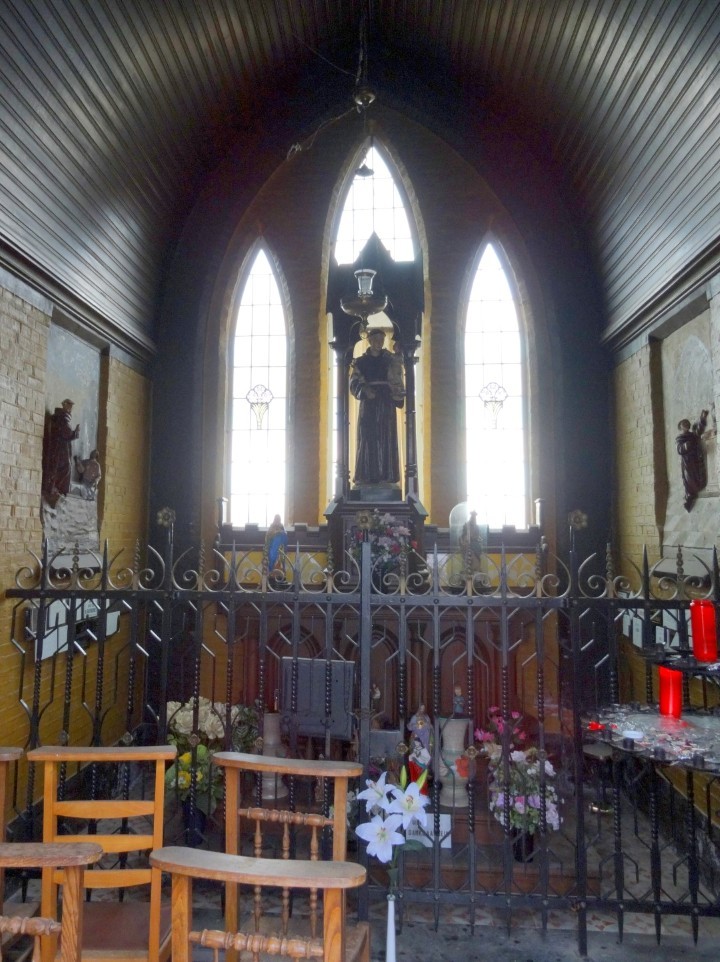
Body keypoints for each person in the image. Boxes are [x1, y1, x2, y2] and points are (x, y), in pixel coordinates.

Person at [349, 328, 404, 486]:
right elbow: (354, 383)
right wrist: (364, 390)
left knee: (387, 437)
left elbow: (397, 374)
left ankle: (387, 475)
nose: (379, 342)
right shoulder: (361, 362)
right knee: (368, 438)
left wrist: (399, 354)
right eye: (376, 339)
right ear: (369, 341)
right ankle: (367, 476)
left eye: (382, 339)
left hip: (386, 402)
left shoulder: (389, 360)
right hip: (369, 403)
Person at [42, 398, 80, 506]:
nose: (71, 408)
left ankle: (56, 490)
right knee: (64, 468)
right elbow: (66, 433)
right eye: (69, 405)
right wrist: (75, 433)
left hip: (60, 449)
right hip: (59, 450)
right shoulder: (61, 418)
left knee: (63, 468)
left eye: (71, 406)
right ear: (64, 405)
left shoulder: (62, 417)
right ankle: (55, 490)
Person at [676, 409, 709, 511]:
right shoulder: (680, 438)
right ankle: (690, 497)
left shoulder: (693, 435)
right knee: (689, 479)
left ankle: (694, 492)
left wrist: (703, 418)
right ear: (681, 427)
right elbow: (679, 449)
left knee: (698, 476)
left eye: (687, 423)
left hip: (696, 460)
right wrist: (688, 444)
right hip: (688, 463)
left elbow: (699, 430)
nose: (686, 424)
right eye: (684, 423)